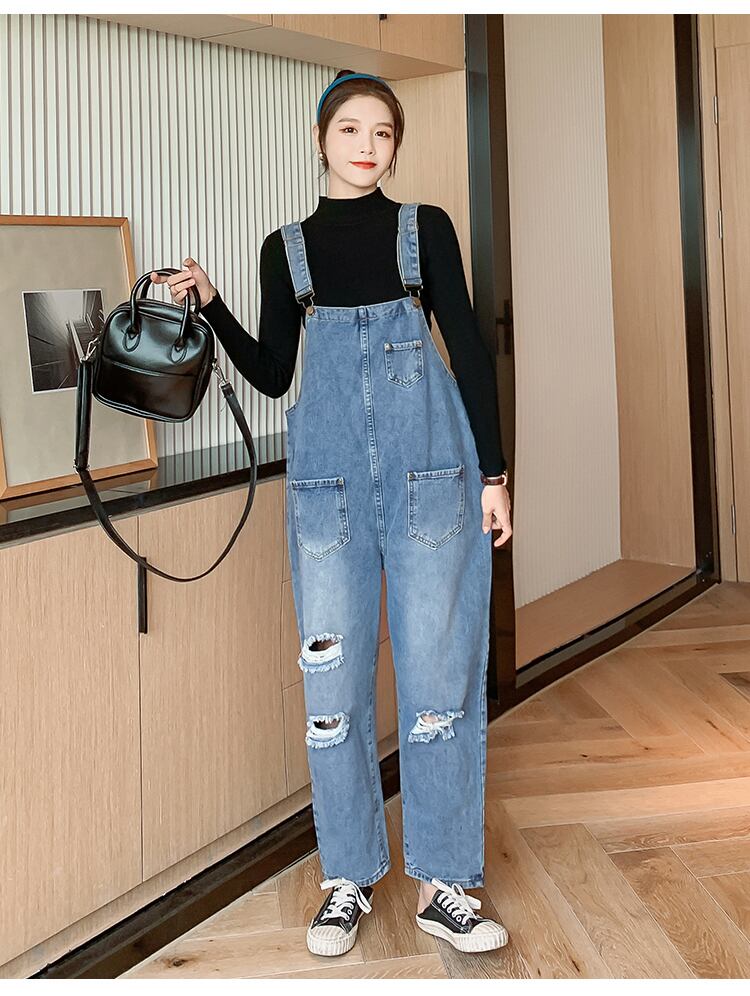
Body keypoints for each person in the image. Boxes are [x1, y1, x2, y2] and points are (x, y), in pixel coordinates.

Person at [152, 70, 512, 958]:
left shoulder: (425, 229)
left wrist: (495, 475)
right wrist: (213, 305)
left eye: (382, 132)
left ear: (395, 147)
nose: (366, 145)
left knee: (439, 686)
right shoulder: (287, 252)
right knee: (333, 695)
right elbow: (276, 373)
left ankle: (443, 882)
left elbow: (468, 345)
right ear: (321, 139)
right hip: (328, 494)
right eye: (350, 128)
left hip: (436, 482)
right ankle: (347, 876)